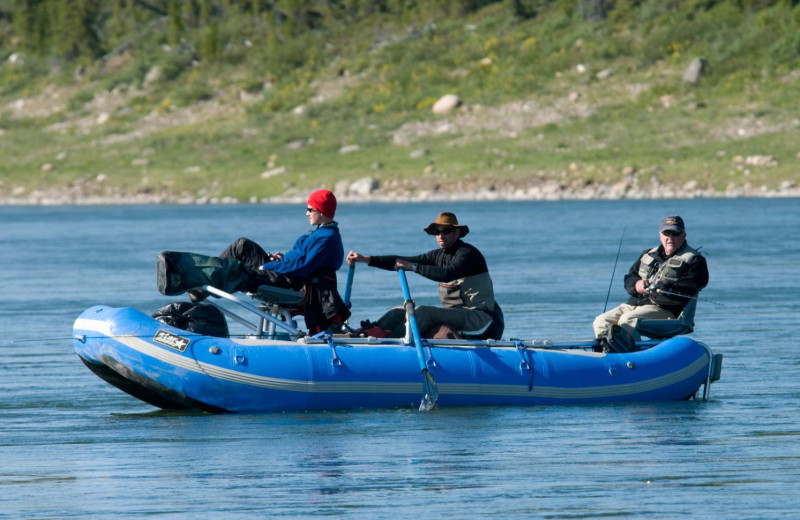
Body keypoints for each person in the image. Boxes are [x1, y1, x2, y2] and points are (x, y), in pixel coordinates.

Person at [163, 189, 349, 333]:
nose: (306, 213)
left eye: (309, 209)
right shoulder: (320, 233)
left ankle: (198, 280)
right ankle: (201, 284)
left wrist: (269, 265)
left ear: (321, 210)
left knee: (240, 271)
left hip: (287, 280)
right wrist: (281, 259)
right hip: (283, 270)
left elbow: (302, 267)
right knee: (242, 246)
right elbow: (300, 260)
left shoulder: (326, 238)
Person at [347, 212, 502, 340]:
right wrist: (365, 259)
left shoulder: (468, 254)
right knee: (400, 311)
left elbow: (448, 273)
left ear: (457, 232)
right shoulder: (438, 255)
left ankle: (394, 345)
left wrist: (413, 267)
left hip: (480, 319)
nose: (441, 236)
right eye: (437, 232)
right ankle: (367, 333)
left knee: (423, 313)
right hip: (459, 316)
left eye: (446, 231)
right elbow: (402, 260)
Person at [592, 215, 709, 350]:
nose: (670, 237)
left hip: (666, 310)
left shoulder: (694, 260)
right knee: (601, 321)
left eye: (676, 233)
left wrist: (661, 288)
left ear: (683, 235)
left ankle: (636, 359)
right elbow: (629, 278)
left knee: (629, 320)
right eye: (667, 233)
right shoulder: (648, 254)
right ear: (660, 235)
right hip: (634, 305)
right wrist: (638, 285)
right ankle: (608, 356)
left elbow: (689, 288)